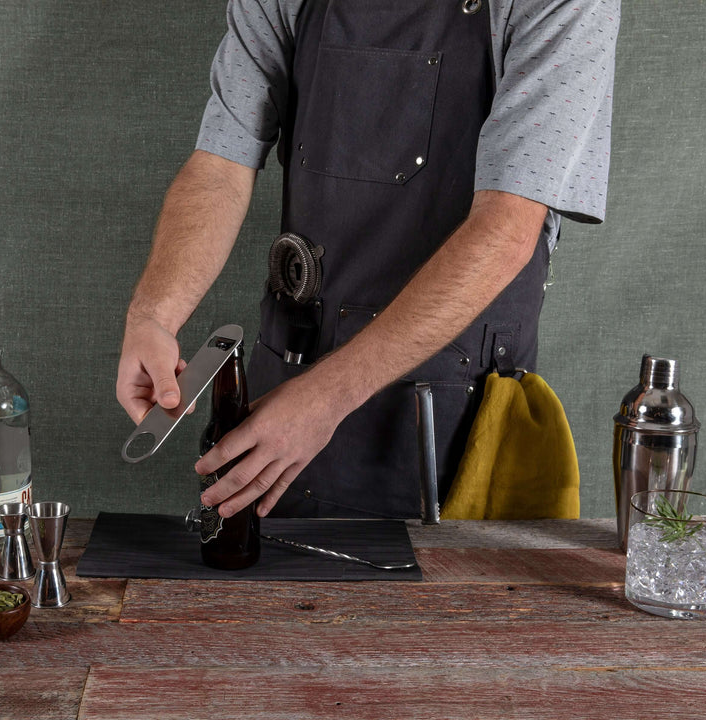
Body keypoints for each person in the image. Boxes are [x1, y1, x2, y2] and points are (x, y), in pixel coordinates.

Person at [117, 0, 620, 520]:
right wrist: (153, 314)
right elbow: (221, 162)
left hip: (446, 430)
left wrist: (326, 397)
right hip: (283, 401)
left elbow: (508, 224)